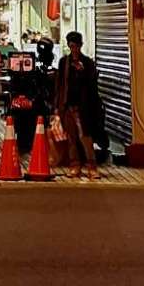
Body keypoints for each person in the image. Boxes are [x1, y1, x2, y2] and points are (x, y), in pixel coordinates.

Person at [56, 31, 103, 180]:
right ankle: (74, 165)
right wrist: (58, 107)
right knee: (71, 138)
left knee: (86, 138)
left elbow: (92, 85)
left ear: (81, 46)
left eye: (76, 46)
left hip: (84, 108)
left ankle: (92, 166)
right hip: (68, 106)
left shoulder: (88, 63)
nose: (74, 49)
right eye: (71, 46)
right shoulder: (64, 62)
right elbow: (60, 85)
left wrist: (83, 72)